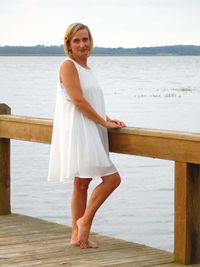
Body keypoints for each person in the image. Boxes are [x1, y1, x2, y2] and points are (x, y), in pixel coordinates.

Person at [48, 22, 126, 249]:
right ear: (68, 45)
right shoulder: (68, 65)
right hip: (80, 130)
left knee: (82, 183)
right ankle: (85, 221)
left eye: (85, 39)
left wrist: (108, 118)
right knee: (112, 179)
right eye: (77, 41)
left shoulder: (88, 70)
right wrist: (102, 121)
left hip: (92, 127)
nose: (82, 44)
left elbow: (89, 100)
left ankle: (77, 236)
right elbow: (78, 100)